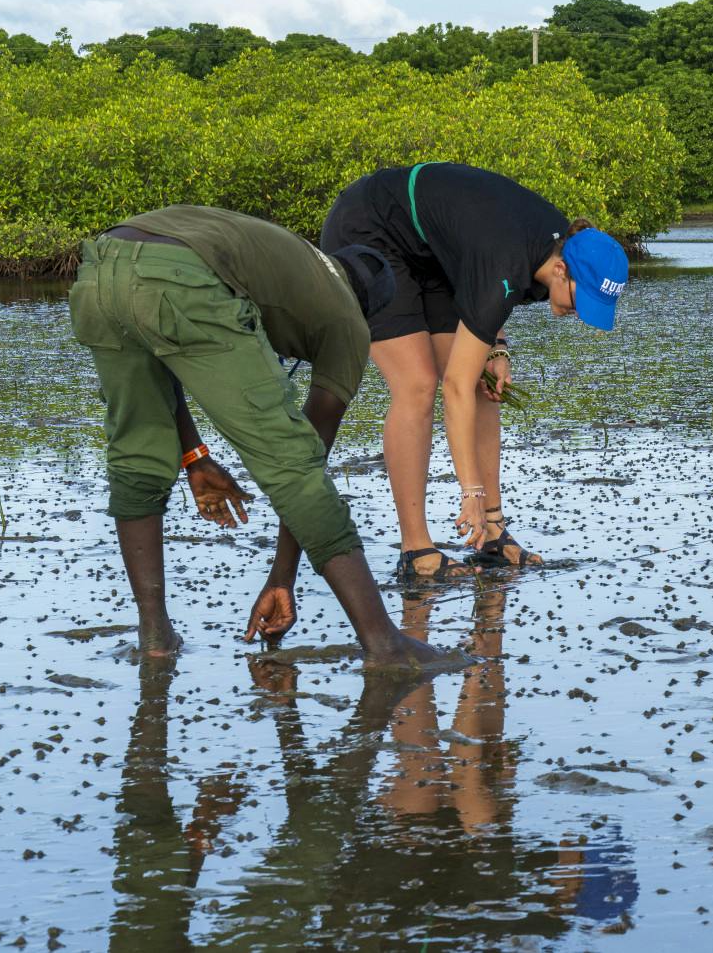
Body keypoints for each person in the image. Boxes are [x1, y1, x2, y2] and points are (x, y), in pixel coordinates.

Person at [67, 205, 442, 667]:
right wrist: (282, 578)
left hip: (99, 269)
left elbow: (162, 350)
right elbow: (303, 463)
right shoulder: (348, 318)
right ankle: (386, 645)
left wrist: (194, 456)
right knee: (293, 464)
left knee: (137, 454)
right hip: (179, 275)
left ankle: (155, 636)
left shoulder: (291, 259)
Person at [321, 163, 631, 583]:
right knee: (420, 384)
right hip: (371, 229)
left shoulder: (559, 246)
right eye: (582, 301)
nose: (579, 314)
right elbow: (456, 384)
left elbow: (484, 273)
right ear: (561, 271)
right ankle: (416, 550)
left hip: (434, 254)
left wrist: (497, 347)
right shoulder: (514, 255)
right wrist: (470, 492)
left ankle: (492, 533)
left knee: (485, 383)